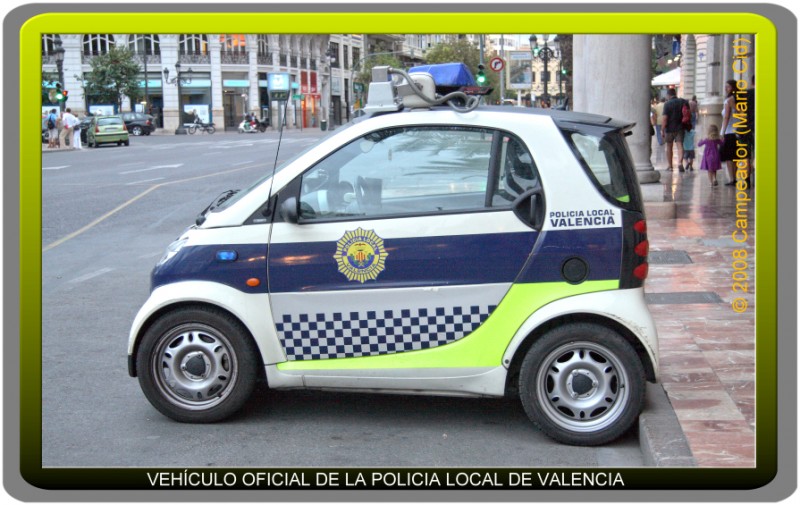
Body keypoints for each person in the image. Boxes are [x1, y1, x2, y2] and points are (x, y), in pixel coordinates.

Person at [661, 88, 688, 171]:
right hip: (680, 127)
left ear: (668, 95)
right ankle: (680, 162)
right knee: (680, 145)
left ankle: (670, 166)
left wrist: (662, 130)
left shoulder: (667, 104)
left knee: (669, 146)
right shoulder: (683, 101)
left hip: (669, 128)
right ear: (675, 93)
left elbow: (665, 118)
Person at [719, 80, 739, 185]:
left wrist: (722, 132)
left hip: (729, 131)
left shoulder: (728, 101)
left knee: (729, 157)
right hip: (738, 131)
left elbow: (726, 117)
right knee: (735, 157)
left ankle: (732, 179)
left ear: (733, 88)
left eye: (728, 87)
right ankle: (734, 177)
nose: (726, 88)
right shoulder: (739, 100)